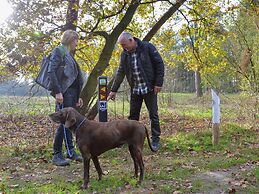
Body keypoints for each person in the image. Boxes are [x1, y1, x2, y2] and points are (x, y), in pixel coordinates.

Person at [108, 32, 165, 152]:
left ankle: (155, 140)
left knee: (153, 115)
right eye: (121, 46)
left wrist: (158, 83)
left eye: (124, 45)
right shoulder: (124, 55)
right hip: (135, 89)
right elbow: (120, 72)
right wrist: (113, 90)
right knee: (133, 117)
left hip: (149, 88)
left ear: (131, 40)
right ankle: (129, 139)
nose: (123, 48)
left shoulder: (147, 47)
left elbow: (159, 64)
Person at [48, 29, 84, 166]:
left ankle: (70, 152)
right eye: (76, 40)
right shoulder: (58, 51)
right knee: (63, 123)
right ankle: (57, 154)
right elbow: (52, 71)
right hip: (63, 93)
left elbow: (74, 77)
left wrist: (78, 96)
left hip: (71, 94)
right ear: (70, 40)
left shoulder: (68, 54)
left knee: (70, 123)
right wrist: (58, 92)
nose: (76, 43)